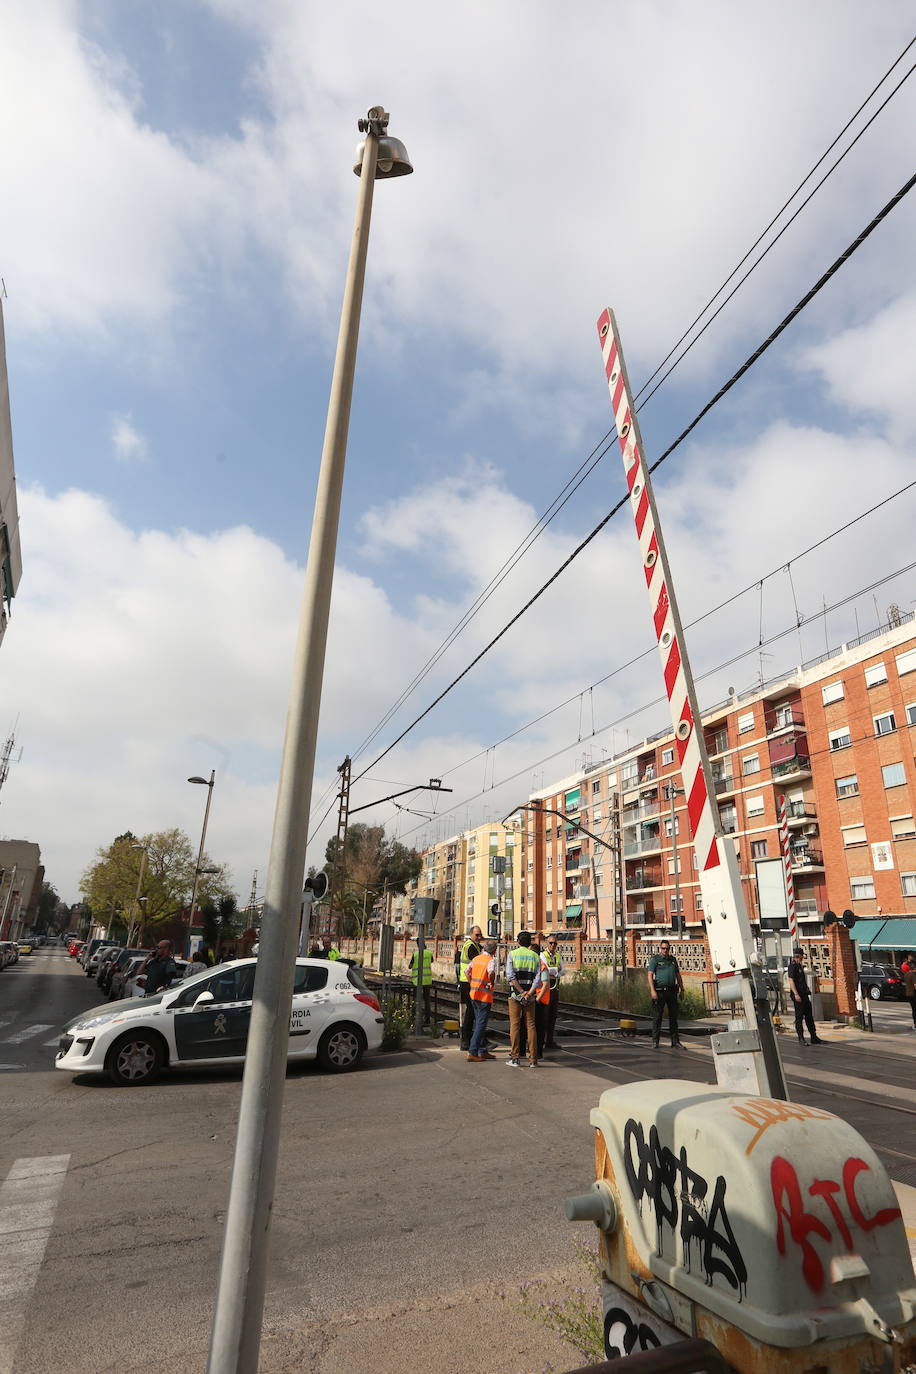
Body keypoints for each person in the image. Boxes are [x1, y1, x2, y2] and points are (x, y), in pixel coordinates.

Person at [505, 930, 543, 1067]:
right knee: (531, 1026)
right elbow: (538, 979)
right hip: (530, 996)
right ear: (529, 943)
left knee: (515, 1025)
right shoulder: (535, 956)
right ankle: (533, 1059)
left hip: (515, 995)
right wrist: (529, 993)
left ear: (518, 941)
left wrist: (521, 992)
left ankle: (515, 1058)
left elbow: (510, 976)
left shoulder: (512, 955)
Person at [648, 940, 684, 1048]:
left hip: (672, 991)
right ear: (660, 949)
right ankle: (655, 1041)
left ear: (669, 949)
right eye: (663, 948)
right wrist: (652, 990)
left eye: (667, 948)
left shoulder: (673, 960)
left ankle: (675, 1041)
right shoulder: (655, 960)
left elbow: (678, 975)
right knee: (658, 1016)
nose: (665, 950)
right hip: (659, 991)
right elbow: (650, 975)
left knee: (673, 1016)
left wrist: (682, 990)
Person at [466, 939, 498, 1061]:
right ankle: (472, 1052)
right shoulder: (490, 961)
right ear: (494, 951)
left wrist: (472, 983)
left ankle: (482, 1050)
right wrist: (491, 981)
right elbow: (491, 973)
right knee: (481, 1024)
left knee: (479, 1023)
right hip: (484, 996)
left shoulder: (476, 959)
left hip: (474, 994)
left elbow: (466, 971)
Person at [787, 945, 823, 1045]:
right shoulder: (793, 966)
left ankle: (813, 1036)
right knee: (799, 1017)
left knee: (809, 1016)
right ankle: (801, 1038)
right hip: (798, 995)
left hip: (804, 994)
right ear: (798, 956)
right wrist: (796, 994)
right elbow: (791, 980)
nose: (802, 958)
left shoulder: (800, 966)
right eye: (801, 957)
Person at [458, 925, 483, 1052]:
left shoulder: (475, 946)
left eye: (480, 935)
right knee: (472, 1011)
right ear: (471, 934)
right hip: (467, 982)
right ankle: (467, 1040)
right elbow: (478, 964)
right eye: (477, 935)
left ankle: (472, 1040)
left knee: (472, 1011)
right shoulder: (471, 946)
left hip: (468, 982)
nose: (479, 937)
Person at [540, 933, 564, 1050]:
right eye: (551, 943)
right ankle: (543, 1040)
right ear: (546, 943)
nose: (553, 945)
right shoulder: (542, 955)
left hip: (555, 989)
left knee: (553, 1016)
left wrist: (554, 972)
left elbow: (563, 971)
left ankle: (550, 1040)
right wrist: (556, 970)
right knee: (545, 1015)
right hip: (546, 990)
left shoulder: (558, 956)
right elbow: (546, 970)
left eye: (555, 943)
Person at [409, 938, 433, 1025]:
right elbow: (432, 961)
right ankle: (427, 1019)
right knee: (427, 1000)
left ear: (418, 945)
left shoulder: (415, 954)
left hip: (417, 981)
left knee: (416, 1000)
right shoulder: (429, 953)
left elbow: (410, 966)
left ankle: (414, 1017)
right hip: (427, 981)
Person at [902, 958, 916, 1030]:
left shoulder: (906, 974)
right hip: (914, 994)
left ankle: (914, 1024)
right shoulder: (913, 975)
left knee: (913, 1009)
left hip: (908, 994)